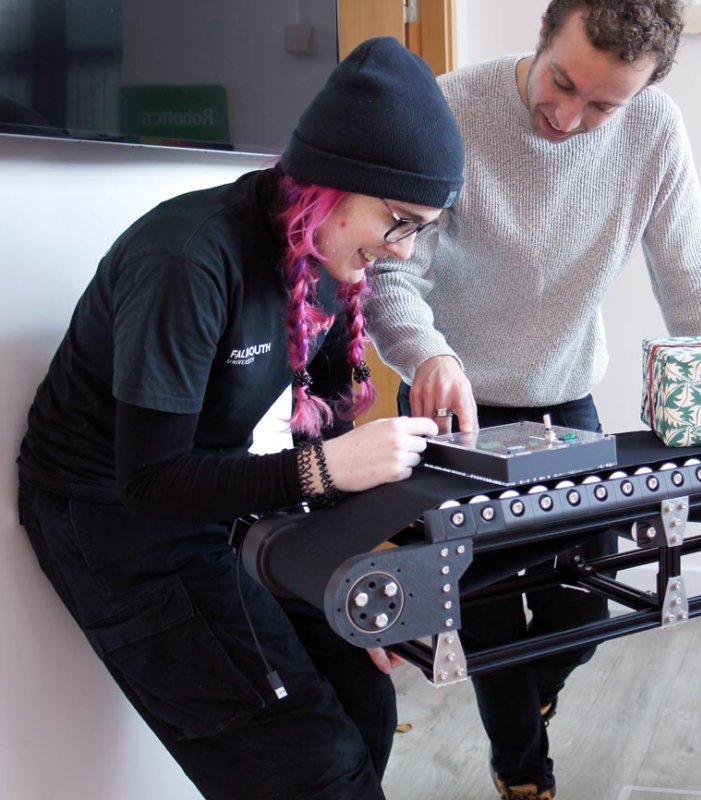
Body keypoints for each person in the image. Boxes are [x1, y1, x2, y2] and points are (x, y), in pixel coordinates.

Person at [17, 37, 463, 800]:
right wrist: (330, 468)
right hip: (109, 520)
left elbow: (312, 437)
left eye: (419, 229)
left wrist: (358, 583)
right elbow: (151, 484)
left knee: (365, 698)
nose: (400, 251)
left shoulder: (321, 262)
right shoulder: (188, 259)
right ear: (332, 183)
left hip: (212, 497)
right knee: (310, 764)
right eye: (397, 221)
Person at [364, 2, 701, 799]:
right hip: (455, 401)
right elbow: (389, 271)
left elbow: (691, 288)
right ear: (543, 36)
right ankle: (523, 772)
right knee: (494, 606)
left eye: (602, 105)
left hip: (564, 398)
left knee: (594, 593)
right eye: (563, 83)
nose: (568, 118)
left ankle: (527, 695)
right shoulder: (451, 110)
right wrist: (429, 353)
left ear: (641, 93)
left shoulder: (655, 132)